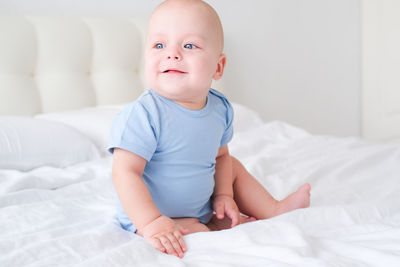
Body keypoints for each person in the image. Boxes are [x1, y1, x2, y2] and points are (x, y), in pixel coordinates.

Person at [108, 0, 311, 258]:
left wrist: (224, 194)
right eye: (159, 45)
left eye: (189, 45)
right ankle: (201, 226)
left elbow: (220, 157)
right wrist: (151, 222)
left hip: (201, 205)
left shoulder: (219, 108)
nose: (172, 54)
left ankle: (273, 209)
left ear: (218, 67)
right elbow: (125, 173)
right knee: (195, 233)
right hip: (151, 213)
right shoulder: (144, 114)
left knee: (232, 165)